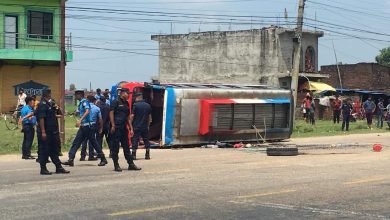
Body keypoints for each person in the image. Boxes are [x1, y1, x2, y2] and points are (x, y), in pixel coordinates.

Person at [62, 90, 108, 167]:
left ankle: (103, 159)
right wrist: (76, 114)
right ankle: (71, 159)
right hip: (84, 126)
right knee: (77, 142)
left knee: (93, 142)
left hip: (87, 126)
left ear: (80, 95)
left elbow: (87, 111)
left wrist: (80, 120)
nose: (75, 97)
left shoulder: (84, 102)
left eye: (76, 95)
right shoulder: (81, 103)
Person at [36, 89, 69, 175]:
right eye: (50, 94)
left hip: (52, 132)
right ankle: (43, 169)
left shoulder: (50, 104)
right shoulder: (42, 105)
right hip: (46, 132)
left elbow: (60, 114)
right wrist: (43, 131)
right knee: (45, 150)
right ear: (47, 95)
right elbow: (41, 118)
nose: (51, 95)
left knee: (53, 150)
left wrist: (57, 107)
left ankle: (59, 167)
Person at [109, 88, 141, 172]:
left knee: (126, 146)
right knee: (115, 147)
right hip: (116, 127)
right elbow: (111, 113)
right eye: (128, 93)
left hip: (123, 128)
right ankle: (116, 165)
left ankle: (131, 164)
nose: (129, 95)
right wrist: (112, 125)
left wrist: (131, 127)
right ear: (122, 93)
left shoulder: (126, 103)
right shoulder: (115, 102)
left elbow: (128, 117)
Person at [80, 96, 102, 161]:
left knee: (84, 140)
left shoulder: (85, 107)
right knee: (92, 141)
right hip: (92, 125)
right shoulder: (97, 108)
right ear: (94, 101)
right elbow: (100, 119)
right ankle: (91, 155)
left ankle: (82, 156)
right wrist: (101, 127)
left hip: (84, 124)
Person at [131, 93, 152, 160]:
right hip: (145, 126)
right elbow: (149, 117)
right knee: (146, 139)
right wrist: (148, 125)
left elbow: (132, 116)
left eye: (135, 97)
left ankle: (134, 155)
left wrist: (130, 124)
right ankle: (147, 154)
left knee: (135, 139)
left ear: (138, 97)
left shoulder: (135, 105)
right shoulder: (148, 105)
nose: (135, 99)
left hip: (136, 126)